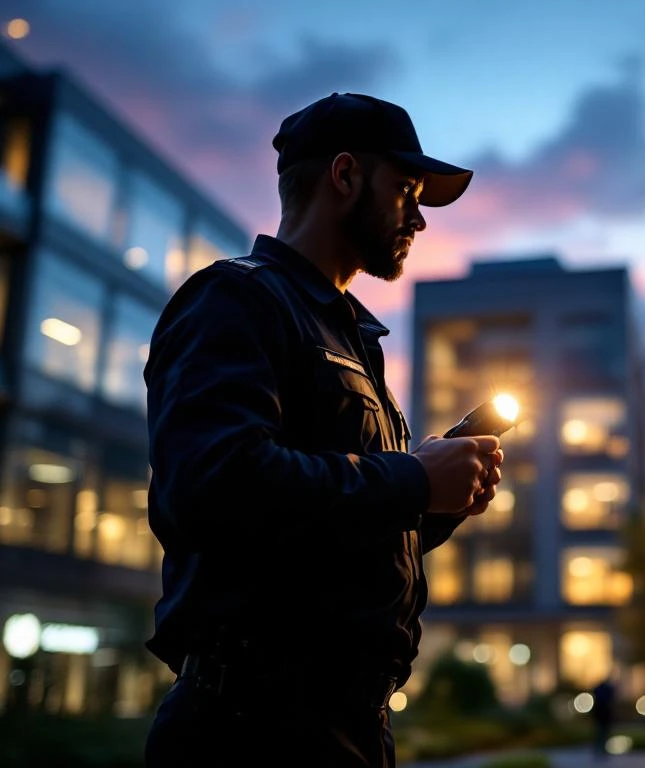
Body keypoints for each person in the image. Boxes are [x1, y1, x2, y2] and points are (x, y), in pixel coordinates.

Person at [142, 92, 503, 767]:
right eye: (407, 190)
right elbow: (215, 482)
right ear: (344, 176)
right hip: (251, 733)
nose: (419, 219)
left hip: (347, 729)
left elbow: (328, 538)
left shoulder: (353, 338)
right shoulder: (236, 299)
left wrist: (436, 497)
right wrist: (413, 476)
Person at [591, 675, 617, 759]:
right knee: (604, 732)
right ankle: (602, 749)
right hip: (604, 712)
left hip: (600, 712)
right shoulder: (608, 689)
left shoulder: (598, 689)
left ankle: (599, 749)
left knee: (599, 732)